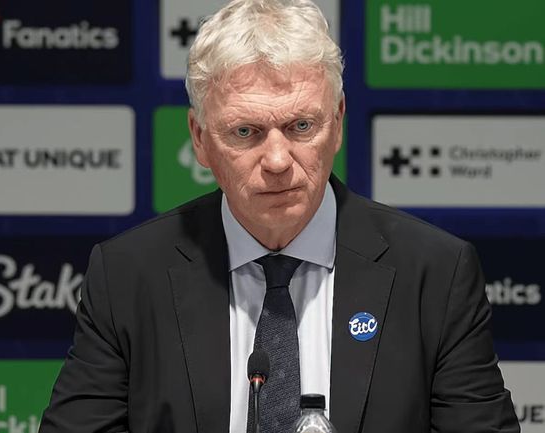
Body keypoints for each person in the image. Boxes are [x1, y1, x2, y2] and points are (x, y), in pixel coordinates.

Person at [40, 0, 519, 432]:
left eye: (301, 126)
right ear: (200, 138)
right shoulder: (127, 275)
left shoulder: (435, 273)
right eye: (245, 132)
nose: (276, 160)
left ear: (338, 122)